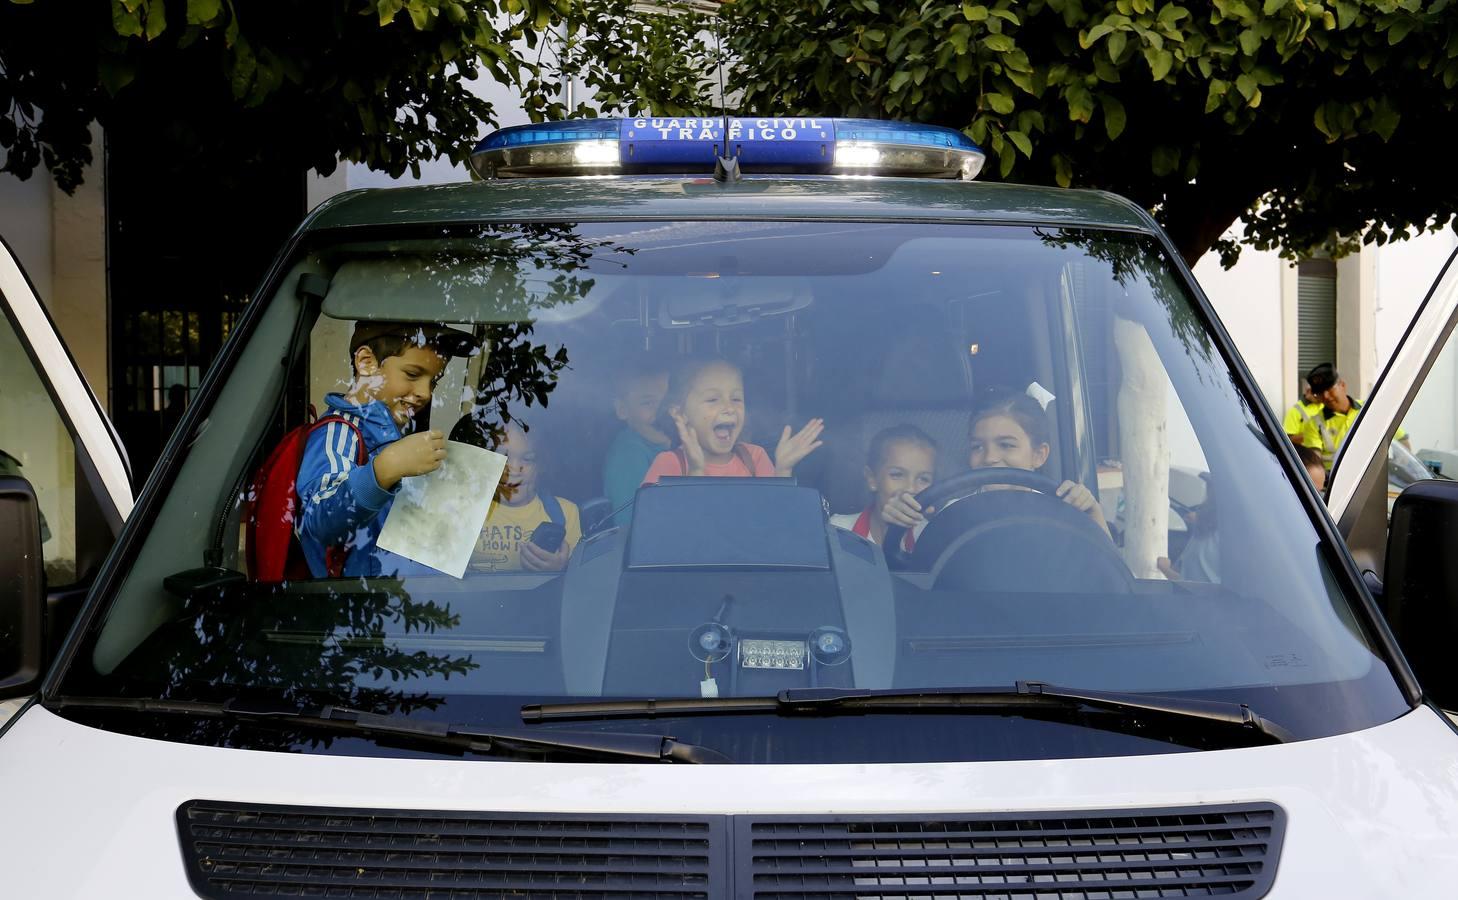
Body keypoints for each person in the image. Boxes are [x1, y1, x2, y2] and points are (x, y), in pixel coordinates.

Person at [295, 320, 475, 578]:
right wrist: (382, 471)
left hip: (394, 600)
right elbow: (320, 521)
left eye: (433, 382)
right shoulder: (338, 433)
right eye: (412, 374)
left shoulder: (391, 435)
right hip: (352, 602)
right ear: (366, 362)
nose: (425, 393)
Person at [882, 389, 1109, 537]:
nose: (989, 457)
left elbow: (1106, 574)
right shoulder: (951, 514)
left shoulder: (1062, 513)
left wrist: (1092, 512)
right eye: (977, 447)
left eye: (1007, 445)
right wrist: (899, 521)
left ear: (1039, 454)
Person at [641, 357, 824, 482]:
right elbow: (663, 529)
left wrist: (783, 469)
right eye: (713, 399)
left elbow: (775, 520)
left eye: (736, 399)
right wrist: (696, 470)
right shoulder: (669, 464)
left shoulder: (754, 458)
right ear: (679, 413)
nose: (729, 408)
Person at [470, 423, 582, 572]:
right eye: (503, 456)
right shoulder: (464, 510)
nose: (515, 469)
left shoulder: (565, 513)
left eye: (528, 459)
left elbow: (580, 579)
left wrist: (561, 569)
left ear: (542, 466)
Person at [831, 425, 936, 551]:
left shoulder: (931, 535)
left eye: (923, 479)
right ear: (872, 479)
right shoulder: (838, 530)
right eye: (897, 475)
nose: (911, 488)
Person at [601, 358, 672, 525]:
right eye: (648, 403)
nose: (663, 412)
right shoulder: (628, 455)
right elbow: (633, 526)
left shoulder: (681, 445)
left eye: (667, 401)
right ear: (622, 409)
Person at [1302, 362, 1408, 468]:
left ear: (1342, 385)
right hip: (1335, 480)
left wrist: (1401, 467)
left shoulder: (1371, 410)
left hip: (1373, 475)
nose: (1325, 396)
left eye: (1329, 389)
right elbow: (1315, 463)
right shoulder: (1314, 424)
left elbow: (1402, 439)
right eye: (1319, 393)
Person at [1283, 379, 1326, 452]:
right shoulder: (1295, 411)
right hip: (1307, 457)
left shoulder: (1325, 406)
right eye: (1317, 394)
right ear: (1308, 391)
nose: (1320, 397)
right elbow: (1288, 440)